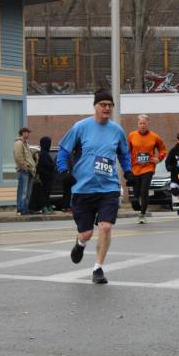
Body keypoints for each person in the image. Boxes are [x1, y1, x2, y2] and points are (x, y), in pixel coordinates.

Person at [57, 89, 133, 285]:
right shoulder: (80, 127)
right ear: (95, 106)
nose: (107, 108)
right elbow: (63, 151)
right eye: (103, 105)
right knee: (87, 233)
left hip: (108, 188)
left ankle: (98, 268)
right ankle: (80, 243)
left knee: (106, 227)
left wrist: (128, 171)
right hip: (83, 188)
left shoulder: (116, 130)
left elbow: (124, 153)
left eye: (110, 105)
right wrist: (64, 172)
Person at [127, 114, 167, 223]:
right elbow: (127, 151)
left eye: (144, 123)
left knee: (144, 190)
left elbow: (163, 150)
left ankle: (142, 214)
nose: (143, 125)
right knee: (136, 194)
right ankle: (138, 206)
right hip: (135, 167)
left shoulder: (154, 137)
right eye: (141, 123)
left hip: (148, 167)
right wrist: (127, 165)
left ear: (148, 124)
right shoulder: (132, 136)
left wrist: (159, 158)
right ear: (137, 124)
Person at [14, 127, 37, 216]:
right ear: (23, 133)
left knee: (28, 192)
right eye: (27, 132)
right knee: (22, 191)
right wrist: (24, 167)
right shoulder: (18, 143)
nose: (28, 134)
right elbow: (18, 157)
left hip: (30, 170)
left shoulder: (25, 143)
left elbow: (28, 156)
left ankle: (26, 208)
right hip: (24, 171)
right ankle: (21, 209)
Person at [30, 136, 57, 213]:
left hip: (48, 177)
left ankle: (47, 205)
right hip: (45, 177)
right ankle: (44, 206)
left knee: (47, 193)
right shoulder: (43, 154)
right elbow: (43, 165)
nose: (49, 144)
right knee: (44, 193)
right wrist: (52, 166)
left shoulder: (45, 153)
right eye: (48, 143)